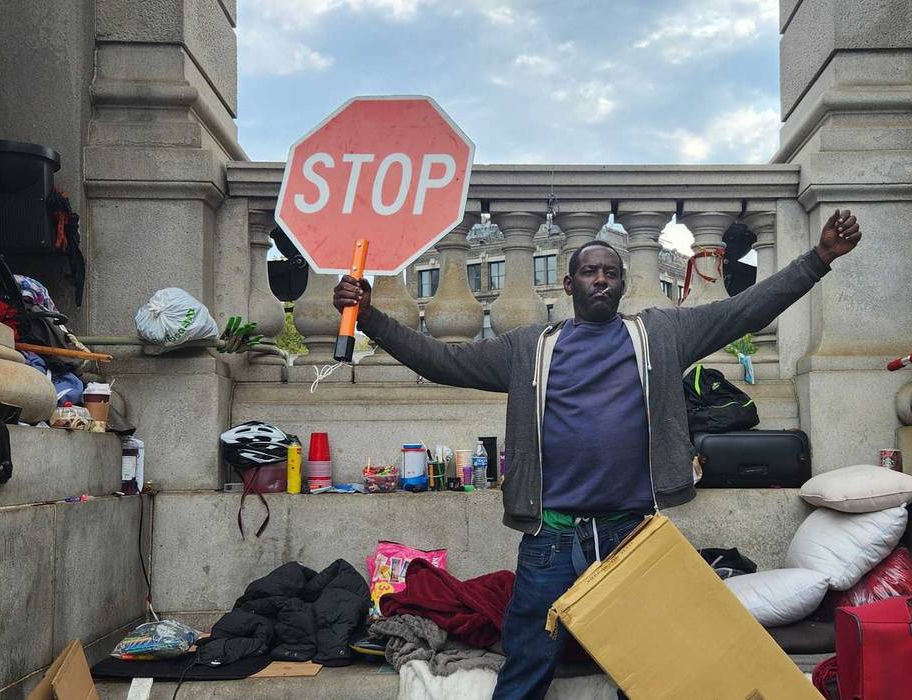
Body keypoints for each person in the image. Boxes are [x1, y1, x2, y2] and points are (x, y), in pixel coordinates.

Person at [334, 209, 862, 698]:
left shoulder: (658, 334)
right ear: (570, 285)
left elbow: (745, 309)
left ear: (623, 283)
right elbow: (442, 360)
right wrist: (371, 318)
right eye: (590, 272)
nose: (602, 279)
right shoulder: (528, 348)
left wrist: (818, 259)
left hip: (629, 532)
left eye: (611, 271)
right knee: (527, 661)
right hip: (552, 537)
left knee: (650, 660)